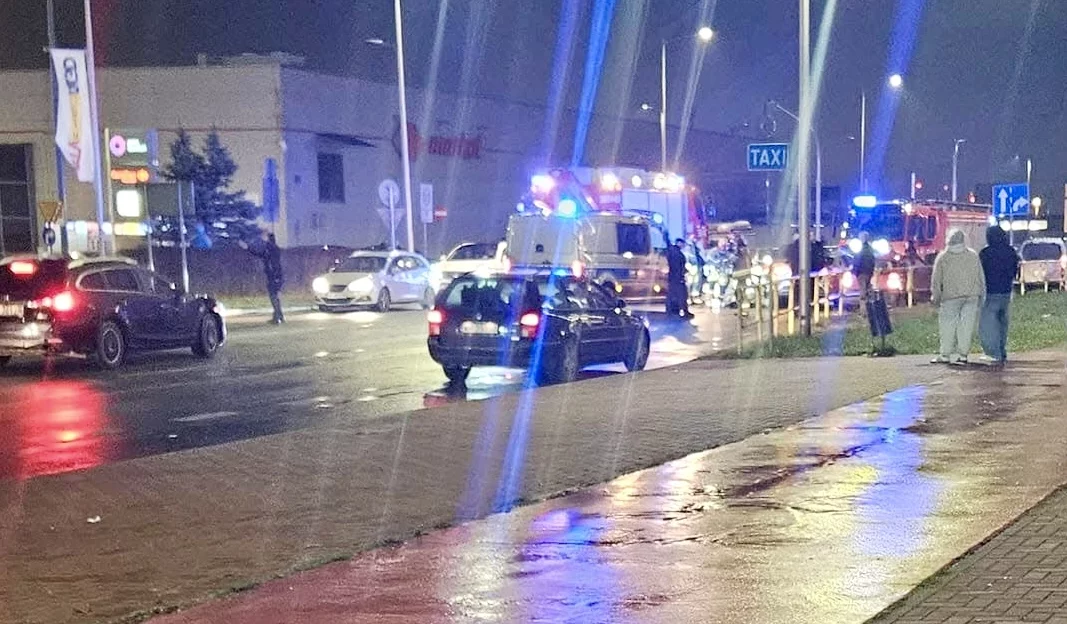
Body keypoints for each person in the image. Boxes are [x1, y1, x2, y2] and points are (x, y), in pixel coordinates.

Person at [930, 230, 985, 365]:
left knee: (947, 326)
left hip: (950, 297)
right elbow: (980, 277)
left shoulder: (943, 257)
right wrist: (982, 294)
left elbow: (936, 281)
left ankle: (945, 354)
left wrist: (936, 298)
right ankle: (963, 355)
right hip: (971, 296)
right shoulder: (973, 255)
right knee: (966, 326)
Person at [978, 225, 1019, 367]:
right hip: (1006, 291)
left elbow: (981, 273)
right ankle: (1002, 350)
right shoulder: (1010, 251)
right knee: (1002, 323)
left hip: (990, 292)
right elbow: (1015, 270)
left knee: (989, 324)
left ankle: (993, 353)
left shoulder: (985, 253)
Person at [240, 230, 285, 324]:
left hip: (274, 275)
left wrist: (248, 247)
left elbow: (263, 255)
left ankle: (277, 316)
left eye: (265, 237)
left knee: (273, 296)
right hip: (275, 275)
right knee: (275, 296)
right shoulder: (272, 248)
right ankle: (279, 315)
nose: (263, 238)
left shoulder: (271, 248)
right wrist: (248, 248)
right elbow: (261, 254)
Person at [666, 237, 692, 319]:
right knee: (682, 295)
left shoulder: (673, 251)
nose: (683, 246)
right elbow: (677, 266)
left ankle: (673, 311)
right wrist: (681, 276)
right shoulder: (676, 253)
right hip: (677, 278)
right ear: (679, 243)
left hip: (673, 278)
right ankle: (683, 311)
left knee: (674, 294)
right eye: (683, 244)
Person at [853, 232, 877, 301]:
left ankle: (864, 304)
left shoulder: (861, 249)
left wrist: (855, 271)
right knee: (867, 286)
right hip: (869, 271)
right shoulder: (870, 249)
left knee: (863, 288)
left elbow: (858, 260)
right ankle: (871, 301)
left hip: (861, 271)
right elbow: (873, 260)